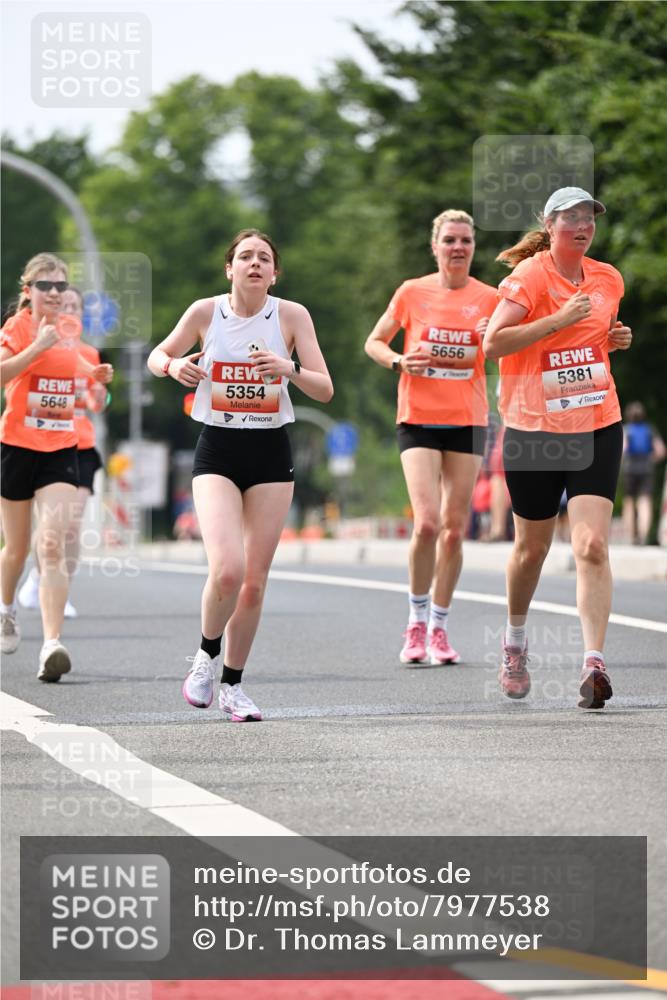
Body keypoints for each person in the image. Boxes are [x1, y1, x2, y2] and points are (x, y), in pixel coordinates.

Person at [147, 228, 333, 721]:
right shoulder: (205, 312)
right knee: (227, 569)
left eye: (264, 258)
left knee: (252, 583)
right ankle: (205, 657)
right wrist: (172, 367)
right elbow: (156, 355)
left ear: (275, 274)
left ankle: (232, 685)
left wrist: (287, 369)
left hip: (271, 454)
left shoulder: (292, 316)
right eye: (245, 256)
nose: (255, 264)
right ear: (229, 269)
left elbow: (325, 389)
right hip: (219, 450)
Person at [484, 187, 632, 708]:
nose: (582, 225)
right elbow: (493, 343)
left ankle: (593, 663)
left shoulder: (609, 278)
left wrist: (614, 339)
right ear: (549, 225)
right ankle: (515, 643)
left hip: (596, 421)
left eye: (589, 217)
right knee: (532, 550)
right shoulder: (529, 277)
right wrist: (559, 319)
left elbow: (592, 339)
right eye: (570, 217)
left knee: (591, 546)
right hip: (533, 431)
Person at [365, 209, 497, 665]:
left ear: (473, 247)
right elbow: (374, 342)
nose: (458, 247)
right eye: (450, 240)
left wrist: (493, 337)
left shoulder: (490, 298)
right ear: (435, 246)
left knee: (455, 531)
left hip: (468, 420)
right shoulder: (412, 291)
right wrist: (399, 361)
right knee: (426, 523)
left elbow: (511, 349)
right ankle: (415, 622)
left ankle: (439, 627)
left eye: (466, 240)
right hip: (418, 418)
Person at [0, 254, 113, 679]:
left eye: (60, 286)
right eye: (44, 285)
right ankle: (7, 610)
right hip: (16, 447)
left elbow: (77, 366)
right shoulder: (18, 327)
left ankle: (51, 644)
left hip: (62, 449)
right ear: (27, 290)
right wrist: (36, 347)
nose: (53, 293)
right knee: (16, 549)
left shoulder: (69, 329)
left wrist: (95, 374)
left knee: (51, 544)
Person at [17, 286, 108, 617]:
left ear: (82, 314)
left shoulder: (90, 354)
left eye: (75, 306)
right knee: (49, 527)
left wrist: (101, 395)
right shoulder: (38, 346)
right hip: (41, 445)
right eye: (63, 305)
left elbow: (97, 401)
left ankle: (59, 590)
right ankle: (37, 577)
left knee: (71, 524)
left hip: (80, 446)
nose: (68, 311)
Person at [622, 401, 666, 544]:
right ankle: (643, 535)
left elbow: (623, 449)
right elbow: (661, 451)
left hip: (629, 468)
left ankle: (631, 536)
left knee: (629, 501)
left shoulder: (627, 430)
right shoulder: (649, 430)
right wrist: (651, 459)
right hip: (647, 468)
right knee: (645, 501)